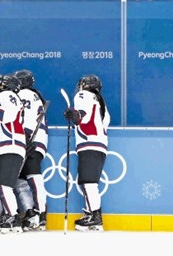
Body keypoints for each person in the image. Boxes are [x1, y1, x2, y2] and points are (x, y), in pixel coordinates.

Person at [63, 74, 110, 232]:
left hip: (89, 143)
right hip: (99, 144)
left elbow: (82, 115)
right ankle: (92, 213)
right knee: (87, 181)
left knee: (89, 181)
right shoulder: (101, 103)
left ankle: (95, 217)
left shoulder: (83, 95)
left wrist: (76, 116)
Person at [0, 74, 25, 232]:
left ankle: (12, 216)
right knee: (4, 185)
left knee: (3, 185)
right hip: (11, 145)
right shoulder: (12, 97)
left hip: (9, 144)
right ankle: (10, 215)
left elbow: (6, 116)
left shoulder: (6, 95)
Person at [13, 69, 48, 231]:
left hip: (31, 141)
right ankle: (30, 211)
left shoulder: (26, 94)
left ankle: (40, 212)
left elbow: (25, 118)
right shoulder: (34, 95)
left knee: (33, 178)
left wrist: (25, 137)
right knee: (21, 180)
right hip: (32, 140)